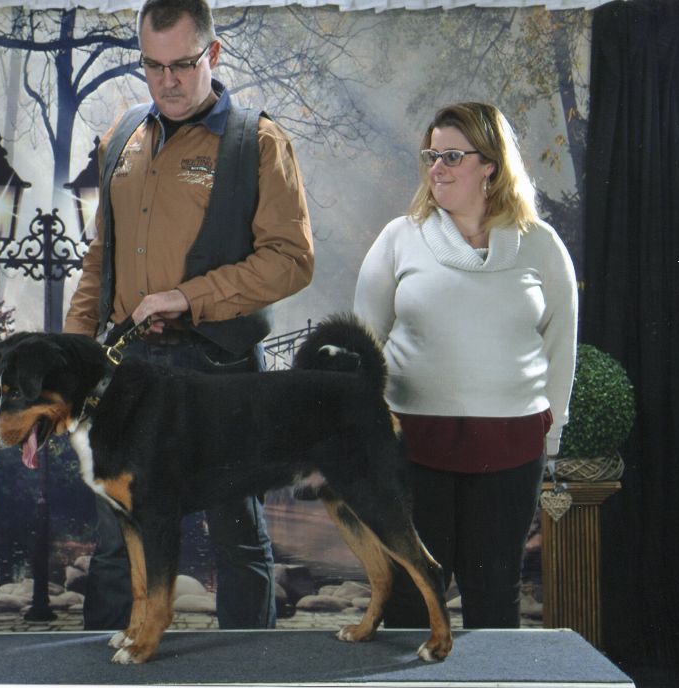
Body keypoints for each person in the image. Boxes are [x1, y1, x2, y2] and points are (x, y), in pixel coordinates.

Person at [63, 0, 314, 631]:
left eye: (183, 64)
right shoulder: (119, 136)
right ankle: (106, 670)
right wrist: (73, 353)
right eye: (154, 65)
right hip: (128, 372)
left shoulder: (257, 141)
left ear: (214, 54)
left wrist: (188, 296)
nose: (168, 80)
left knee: (237, 538)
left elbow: (292, 260)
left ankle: (249, 671)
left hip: (220, 371)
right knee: (117, 541)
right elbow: (101, 256)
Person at [353, 102, 577, 629]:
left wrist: (553, 433)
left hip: (512, 448)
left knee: (496, 595)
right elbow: (362, 345)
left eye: (452, 155)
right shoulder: (397, 239)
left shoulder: (541, 247)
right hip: (413, 446)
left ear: (491, 166)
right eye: (432, 155)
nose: (437, 167)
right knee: (413, 596)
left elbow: (560, 349)